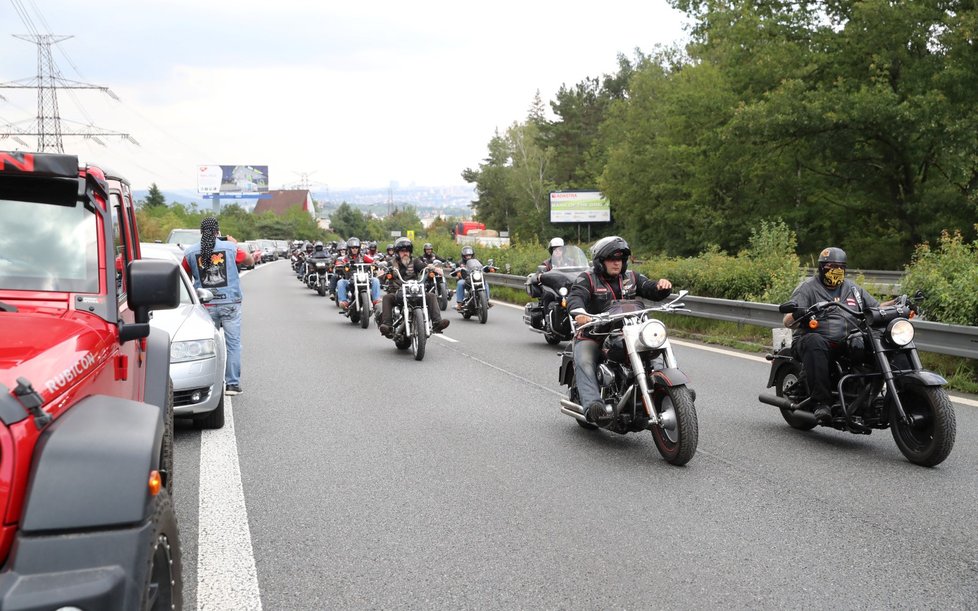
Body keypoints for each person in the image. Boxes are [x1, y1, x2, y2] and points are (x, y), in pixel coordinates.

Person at [567, 236, 672, 423]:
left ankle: (670, 391)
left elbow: (649, 288)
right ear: (600, 262)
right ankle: (593, 406)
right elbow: (576, 297)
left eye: (621, 259)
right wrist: (580, 313)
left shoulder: (632, 278)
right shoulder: (588, 279)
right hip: (595, 334)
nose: (617, 263)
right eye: (612, 259)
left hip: (629, 332)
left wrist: (661, 287)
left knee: (654, 351)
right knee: (584, 360)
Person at [782, 247, 891, 423]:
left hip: (847, 342)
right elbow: (787, 321)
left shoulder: (853, 289)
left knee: (878, 341)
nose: (837, 270)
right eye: (831, 266)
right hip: (815, 341)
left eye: (841, 266)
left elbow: (876, 307)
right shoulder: (808, 288)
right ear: (821, 267)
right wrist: (798, 313)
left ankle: (876, 393)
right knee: (814, 340)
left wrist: (899, 303)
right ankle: (821, 403)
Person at [182, 217, 254, 396]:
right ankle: (232, 384)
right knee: (233, 344)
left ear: (201, 232)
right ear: (217, 232)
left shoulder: (190, 252)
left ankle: (208, 385)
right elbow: (250, 261)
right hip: (230, 303)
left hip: (205, 305)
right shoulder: (230, 248)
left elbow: (185, 276)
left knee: (208, 346)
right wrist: (234, 244)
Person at [378, 237, 450, 337]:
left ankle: (437, 323)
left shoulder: (415, 261)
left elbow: (424, 267)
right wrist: (382, 272)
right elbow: (381, 273)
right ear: (397, 252)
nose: (405, 253)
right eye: (402, 251)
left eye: (407, 251)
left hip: (414, 291)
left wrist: (433, 268)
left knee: (431, 296)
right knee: (387, 297)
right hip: (397, 292)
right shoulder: (391, 263)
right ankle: (387, 326)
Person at [335, 237, 382, 309]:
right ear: (349, 248)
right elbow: (339, 263)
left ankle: (376, 300)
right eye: (352, 247)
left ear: (359, 248)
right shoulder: (346, 258)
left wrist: (377, 262)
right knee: (340, 282)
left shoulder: (363, 257)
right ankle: (343, 302)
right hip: (350, 280)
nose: (354, 249)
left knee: (375, 280)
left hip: (365, 279)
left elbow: (373, 260)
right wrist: (340, 264)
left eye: (356, 247)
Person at [453, 245, 491, 310]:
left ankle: (486, 301)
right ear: (463, 256)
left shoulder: (477, 261)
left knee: (485, 283)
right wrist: (457, 272)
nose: (468, 257)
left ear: (472, 255)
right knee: (460, 283)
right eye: (466, 255)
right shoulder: (459, 263)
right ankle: (459, 303)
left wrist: (488, 268)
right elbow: (453, 270)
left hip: (476, 278)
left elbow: (483, 267)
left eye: (469, 255)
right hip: (465, 279)